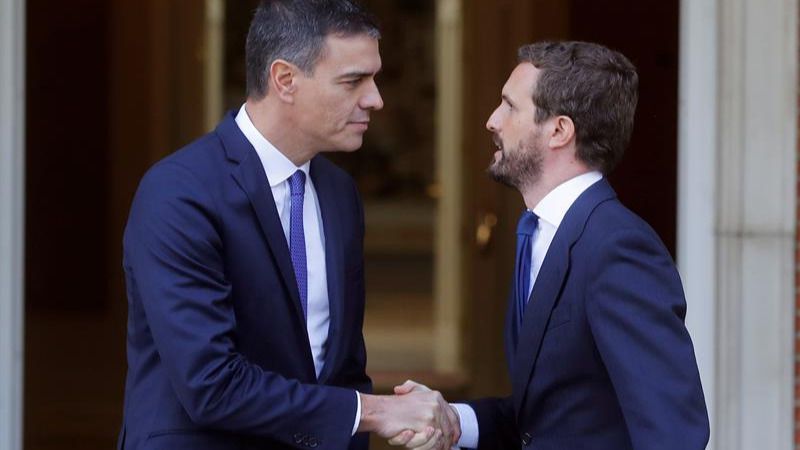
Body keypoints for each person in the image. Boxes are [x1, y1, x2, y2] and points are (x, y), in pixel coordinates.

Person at [117, 1, 459, 449]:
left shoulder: (338, 193)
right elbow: (210, 384)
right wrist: (377, 412)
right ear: (284, 80)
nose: (375, 99)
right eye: (353, 81)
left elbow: (343, 370)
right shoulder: (179, 193)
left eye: (374, 79)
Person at [391, 41, 709, 449]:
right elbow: (544, 421)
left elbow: (673, 434)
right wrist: (451, 420)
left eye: (510, 107)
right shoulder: (540, 233)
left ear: (559, 131)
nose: (492, 121)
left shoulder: (619, 248)